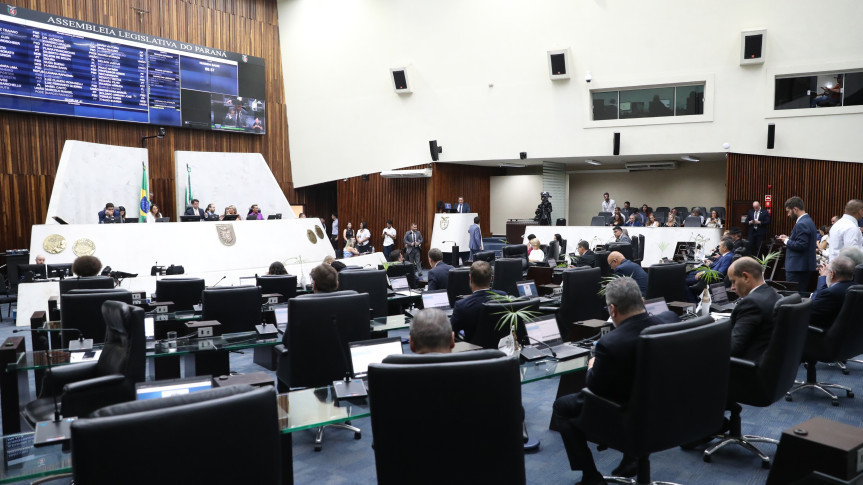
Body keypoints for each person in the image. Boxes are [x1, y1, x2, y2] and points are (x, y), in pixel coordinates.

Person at [551, 277, 661, 484]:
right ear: (643, 302)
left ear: (612, 310)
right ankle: (631, 458)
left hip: (626, 414)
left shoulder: (610, 343)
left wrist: (592, 366)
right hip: (664, 409)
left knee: (562, 407)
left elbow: (594, 388)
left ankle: (591, 476)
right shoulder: (667, 323)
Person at [726, 257, 781, 361]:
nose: (732, 287)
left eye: (733, 281)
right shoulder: (774, 294)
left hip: (745, 366)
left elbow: (732, 348)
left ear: (746, 277)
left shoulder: (751, 303)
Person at [450, 261, 505, 342]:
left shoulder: (461, 305)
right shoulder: (503, 297)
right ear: (491, 278)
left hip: (474, 349)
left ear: (470, 278)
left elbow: (449, 331)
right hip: (501, 348)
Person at [777, 196, 818, 294]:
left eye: (788, 211)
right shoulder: (808, 221)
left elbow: (801, 245)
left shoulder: (801, 224)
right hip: (803, 266)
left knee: (793, 295)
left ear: (795, 209)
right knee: (800, 294)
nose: (788, 214)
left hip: (797, 268)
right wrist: (789, 238)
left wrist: (786, 241)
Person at [810, 256, 855, 330]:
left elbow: (809, 315)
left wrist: (822, 278)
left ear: (831, 274)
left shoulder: (829, 294)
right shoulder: (858, 288)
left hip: (823, 334)